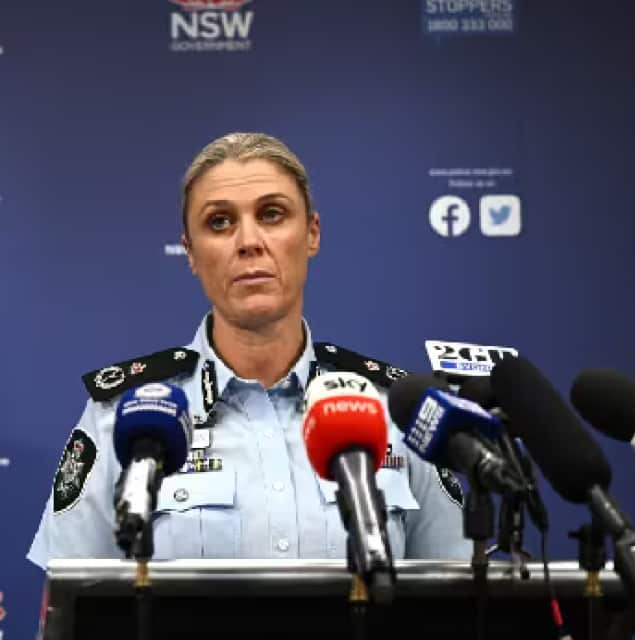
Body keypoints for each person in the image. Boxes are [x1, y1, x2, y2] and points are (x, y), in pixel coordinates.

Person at [27, 132, 469, 569]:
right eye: (219, 222)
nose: (248, 241)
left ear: (312, 233)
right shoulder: (121, 416)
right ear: (191, 252)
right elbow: (70, 614)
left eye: (272, 214)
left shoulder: (397, 412)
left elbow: (459, 606)